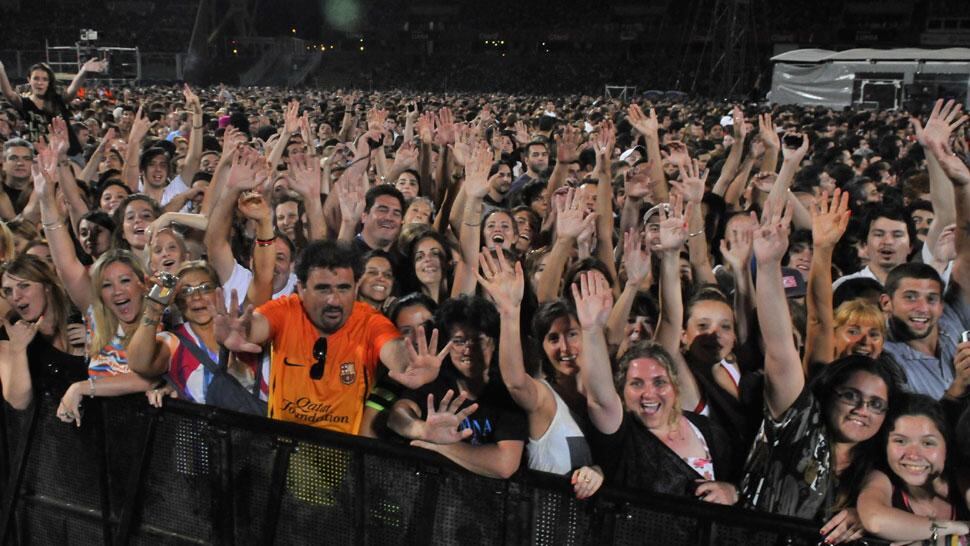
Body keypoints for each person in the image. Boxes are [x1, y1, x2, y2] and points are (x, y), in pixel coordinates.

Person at [740, 200, 903, 544]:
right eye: (851, 396)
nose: (863, 409)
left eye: (876, 404)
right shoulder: (797, 422)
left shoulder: (878, 467)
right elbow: (784, 346)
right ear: (831, 393)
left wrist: (866, 516)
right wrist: (769, 265)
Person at [215, 239, 445, 434]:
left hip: (342, 456)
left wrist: (410, 363)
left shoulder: (369, 321)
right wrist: (242, 331)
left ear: (356, 288)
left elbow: (393, 350)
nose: (334, 300)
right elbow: (257, 326)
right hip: (284, 446)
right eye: (323, 289)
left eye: (343, 288)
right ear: (302, 289)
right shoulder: (286, 310)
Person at [478, 248, 603, 498]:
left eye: (572, 334)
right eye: (553, 338)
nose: (564, 348)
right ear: (542, 348)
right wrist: (510, 312)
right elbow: (515, 382)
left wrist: (598, 471)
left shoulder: (604, 398)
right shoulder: (544, 397)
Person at [388, 294, 528, 480]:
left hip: (489, 502)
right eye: (459, 341)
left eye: (478, 340)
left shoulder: (507, 392)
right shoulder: (436, 380)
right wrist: (423, 430)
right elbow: (397, 416)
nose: (468, 350)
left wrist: (439, 445)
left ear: (494, 343)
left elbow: (504, 464)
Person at [857, 393, 970, 543]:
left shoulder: (961, 477)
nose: (913, 455)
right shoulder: (882, 477)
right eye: (900, 441)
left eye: (928, 443)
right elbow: (875, 521)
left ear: (946, 446)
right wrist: (958, 528)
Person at [0, 254, 86, 409]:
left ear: (47, 286)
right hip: (46, 430)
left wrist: (98, 344)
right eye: (8, 290)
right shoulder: (10, 333)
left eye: (24, 286)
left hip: (95, 425)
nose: (15, 297)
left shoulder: (81, 316)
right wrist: (18, 350)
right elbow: (18, 402)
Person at [0, 59, 106, 153]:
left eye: (44, 79)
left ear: (49, 82)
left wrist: (84, 70)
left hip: (69, 155)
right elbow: (9, 94)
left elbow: (73, 88)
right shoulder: (24, 103)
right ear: (29, 80)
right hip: (41, 157)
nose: (40, 83)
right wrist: (1, 69)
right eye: (36, 78)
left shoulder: (57, 99)